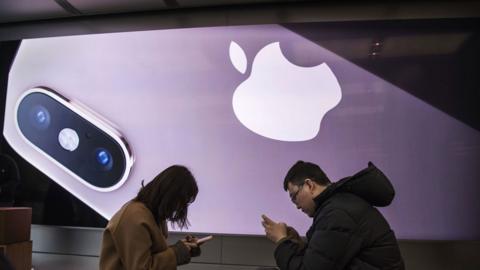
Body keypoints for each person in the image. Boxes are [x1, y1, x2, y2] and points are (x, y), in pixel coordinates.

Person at [261, 161, 404, 270]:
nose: (296, 205)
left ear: (309, 185)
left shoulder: (337, 213)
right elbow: (324, 259)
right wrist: (295, 243)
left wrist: (281, 241)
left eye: (294, 197)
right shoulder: (338, 205)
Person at [99, 165, 206, 270]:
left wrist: (183, 249)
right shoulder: (135, 218)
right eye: (180, 202)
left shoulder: (151, 215)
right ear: (169, 196)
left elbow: (153, 255)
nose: (179, 209)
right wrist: (176, 253)